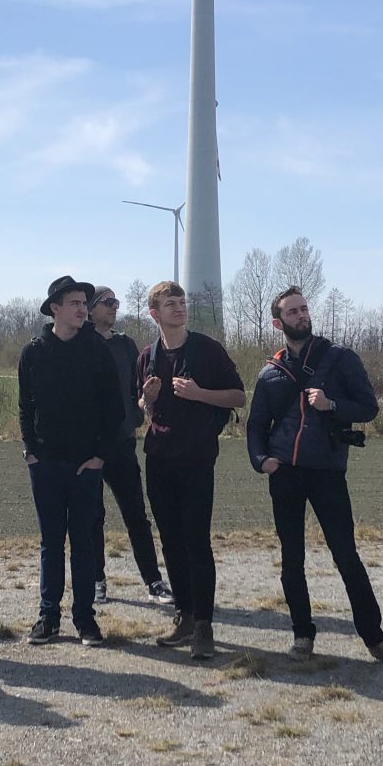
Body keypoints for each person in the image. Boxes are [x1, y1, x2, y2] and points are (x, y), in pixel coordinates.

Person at [246, 286, 383, 663]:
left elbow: (368, 407)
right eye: (293, 312)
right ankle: (302, 635)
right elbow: (255, 425)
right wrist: (261, 460)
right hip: (284, 474)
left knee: (346, 555)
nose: (301, 315)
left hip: (327, 472)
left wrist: (331, 404)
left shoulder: (340, 359)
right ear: (278, 322)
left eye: (304, 309)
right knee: (291, 558)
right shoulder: (270, 372)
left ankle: (375, 638)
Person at [137, 281, 245, 659]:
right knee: (170, 540)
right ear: (155, 313)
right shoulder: (147, 356)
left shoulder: (207, 350)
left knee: (196, 540)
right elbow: (145, 413)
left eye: (181, 302)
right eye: (170, 304)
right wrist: (145, 400)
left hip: (197, 459)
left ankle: (204, 626)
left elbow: (239, 396)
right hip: (159, 459)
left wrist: (200, 393)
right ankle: (183, 616)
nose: (179, 308)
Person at [17, 275, 125, 646]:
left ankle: (85, 619)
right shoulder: (33, 350)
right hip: (45, 463)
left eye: (85, 302)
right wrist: (29, 450)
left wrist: (99, 456)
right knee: (51, 542)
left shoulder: (97, 349)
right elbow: (25, 404)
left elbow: (114, 408)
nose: (83, 309)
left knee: (83, 541)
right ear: (55, 309)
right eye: (76, 303)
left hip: (85, 465)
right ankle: (48, 616)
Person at [89, 285, 173, 606]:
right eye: (107, 302)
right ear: (92, 308)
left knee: (136, 514)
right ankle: (96, 580)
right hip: (88, 446)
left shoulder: (126, 346)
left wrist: (142, 407)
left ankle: (153, 581)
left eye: (116, 302)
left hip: (122, 443)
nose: (114, 307)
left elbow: (136, 389)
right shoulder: (81, 345)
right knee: (91, 517)